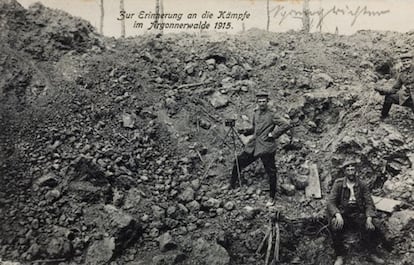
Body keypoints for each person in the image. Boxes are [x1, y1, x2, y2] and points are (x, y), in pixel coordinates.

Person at [229, 90, 292, 205]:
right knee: (238, 161)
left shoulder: (272, 114)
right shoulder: (256, 113)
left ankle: (272, 197)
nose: (262, 103)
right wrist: (245, 131)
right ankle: (232, 185)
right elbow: (255, 129)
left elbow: (286, 124)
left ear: (267, 102)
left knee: (271, 172)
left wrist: (273, 135)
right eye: (260, 101)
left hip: (266, 147)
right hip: (254, 145)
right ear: (257, 102)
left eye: (264, 101)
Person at [327, 159, 385, 265]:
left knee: (371, 227)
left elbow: (369, 203)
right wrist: (337, 214)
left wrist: (369, 218)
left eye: (352, 169)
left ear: (356, 171)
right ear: (344, 171)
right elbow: (331, 202)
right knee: (335, 226)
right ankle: (340, 255)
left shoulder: (362, 184)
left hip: (358, 213)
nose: (350, 172)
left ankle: (371, 253)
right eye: (348, 169)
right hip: (343, 213)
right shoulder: (338, 183)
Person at [375, 51, 414, 119]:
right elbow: (395, 89)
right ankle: (384, 116)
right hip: (408, 97)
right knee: (389, 97)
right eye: (404, 61)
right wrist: (381, 90)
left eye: (408, 60)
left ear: (411, 60)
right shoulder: (402, 73)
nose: (406, 62)